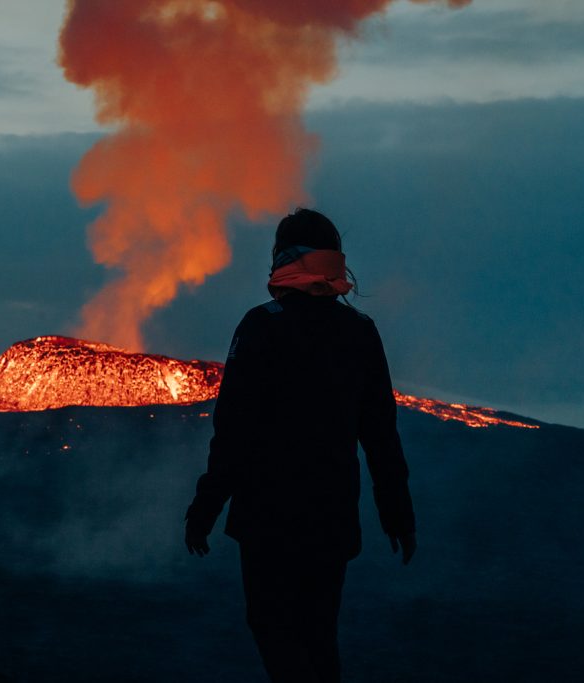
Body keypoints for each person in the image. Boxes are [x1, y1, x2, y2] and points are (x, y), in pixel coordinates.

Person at [184, 208, 417, 683]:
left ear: (283, 260)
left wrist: (206, 506)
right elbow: (380, 435)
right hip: (332, 518)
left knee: (272, 626)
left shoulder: (261, 327)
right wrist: (398, 513)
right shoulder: (359, 333)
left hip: (266, 518)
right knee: (318, 634)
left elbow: (233, 430)